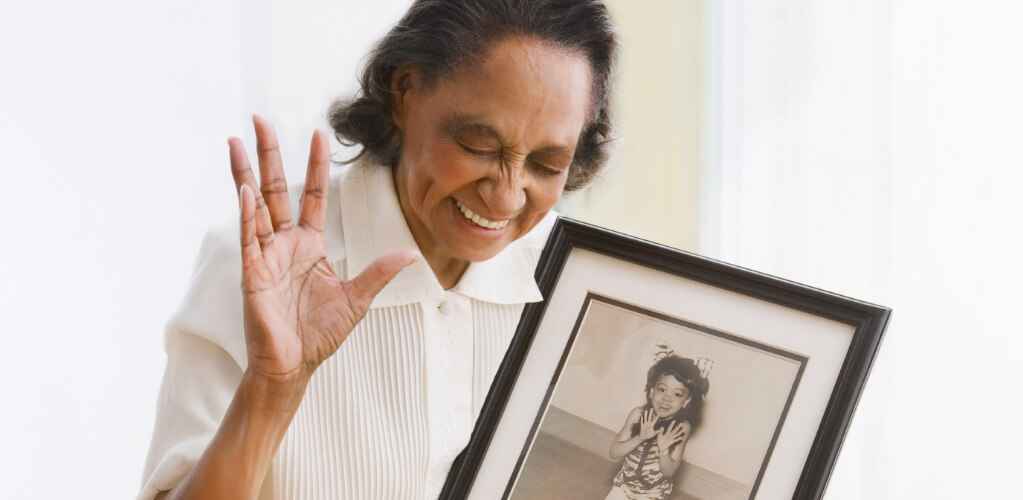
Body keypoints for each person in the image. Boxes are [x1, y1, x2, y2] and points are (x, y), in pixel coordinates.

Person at [138, 0, 618, 499]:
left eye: (546, 165)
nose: (506, 197)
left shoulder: (575, 284)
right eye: (478, 146)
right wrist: (271, 391)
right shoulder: (262, 267)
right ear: (405, 91)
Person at [606, 355, 709, 500]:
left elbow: (669, 472)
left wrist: (663, 451)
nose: (667, 398)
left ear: (687, 400)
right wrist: (639, 437)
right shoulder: (637, 414)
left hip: (653, 494)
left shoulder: (682, 427)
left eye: (677, 394)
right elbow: (614, 452)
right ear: (651, 391)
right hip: (623, 486)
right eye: (662, 389)